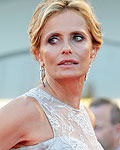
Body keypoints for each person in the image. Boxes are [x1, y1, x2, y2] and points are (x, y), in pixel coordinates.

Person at [0, 0, 104, 149]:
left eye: (77, 37)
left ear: (93, 50)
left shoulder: (88, 116)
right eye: (53, 39)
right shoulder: (26, 109)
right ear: (38, 54)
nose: (67, 48)